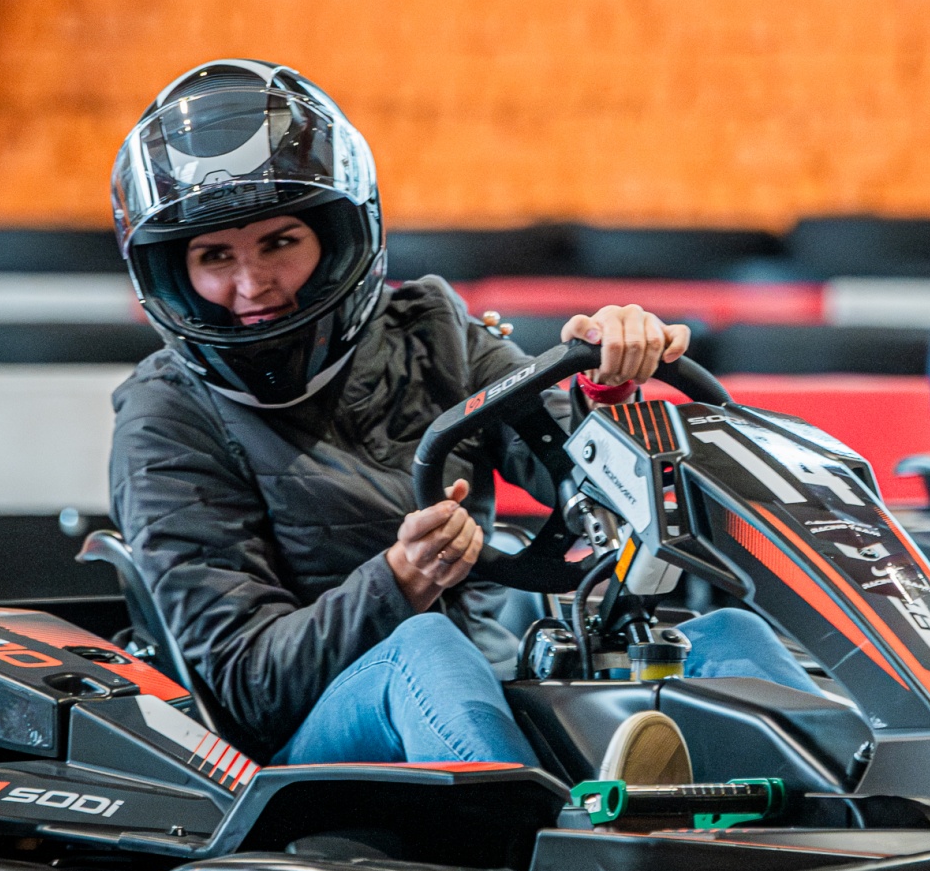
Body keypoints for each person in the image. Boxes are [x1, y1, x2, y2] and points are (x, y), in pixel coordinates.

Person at [107, 59, 817, 774]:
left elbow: (581, 475)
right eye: (215, 257)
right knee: (426, 645)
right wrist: (400, 581)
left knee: (726, 636)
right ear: (174, 275)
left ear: (336, 238)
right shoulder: (167, 416)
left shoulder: (433, 334)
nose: (252, 283)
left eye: (280, 242)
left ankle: (853, 812)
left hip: (478, 684)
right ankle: (548, 827)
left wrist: (607, 389)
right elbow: (247, 687)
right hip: (301, 744)